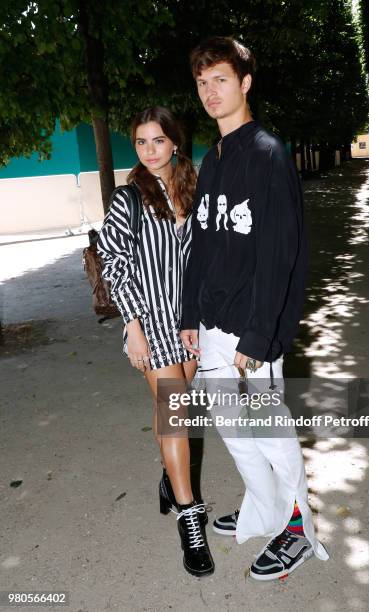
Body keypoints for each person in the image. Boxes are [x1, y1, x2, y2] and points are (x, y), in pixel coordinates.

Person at [180, 37, 329, 580]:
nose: (210, 92)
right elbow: (202, 242)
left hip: (251, 326)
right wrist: (189, 315)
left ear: (245, 83)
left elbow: (279, 255)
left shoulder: (268, 153)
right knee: (229, 424)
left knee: (269, 427)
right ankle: (263, 507)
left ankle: (297, 527)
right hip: (212, 323)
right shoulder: (212, 158)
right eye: (201, 82)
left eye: (220, 79)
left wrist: (258, 336)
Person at [97, 106, 214, 577]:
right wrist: (132, 326)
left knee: (178, 410)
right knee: (175, 415)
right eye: (141, 142)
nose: (149, 150)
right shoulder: (128, 198)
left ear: (174, 142)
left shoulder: (194, 188)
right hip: (149, 320)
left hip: (190, 321)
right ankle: (191, 519)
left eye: (157, 141)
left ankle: (170, 483)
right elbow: (114, 259)